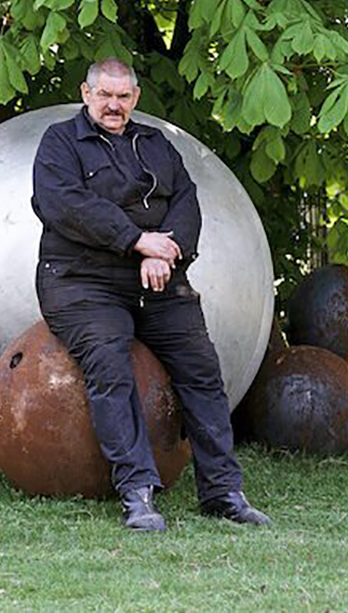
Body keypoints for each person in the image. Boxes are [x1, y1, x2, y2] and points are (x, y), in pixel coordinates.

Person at [31, 57, 271, 531]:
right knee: (110, 365)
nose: (113, 105)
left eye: (123, 97)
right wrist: (137, 241)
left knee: (202, 370)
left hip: (156, 278)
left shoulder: (156, 143)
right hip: (82, 282)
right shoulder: (60, 143)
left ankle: (223, 491)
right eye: (104, 95)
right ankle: (138, 493)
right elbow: (65, 205)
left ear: (135, 98)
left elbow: (186, 201)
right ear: (86, 94)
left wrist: (166, 253)